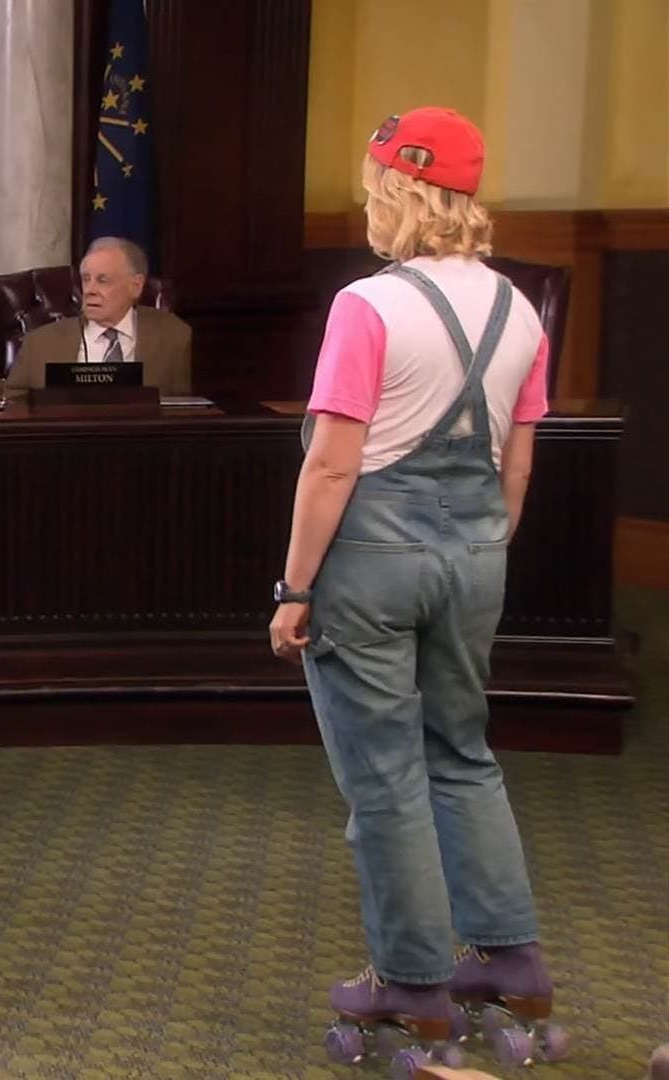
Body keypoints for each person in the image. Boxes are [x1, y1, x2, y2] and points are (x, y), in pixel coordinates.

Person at [267, 108, 562, 1068]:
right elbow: (518, 467)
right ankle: (512, 960)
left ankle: (412, 978)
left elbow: (330, 465)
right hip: (477, 554)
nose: (366, 205)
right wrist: (479, 549)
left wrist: (293, 587)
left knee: (386, 776)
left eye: (372, 187)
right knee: (463, 755)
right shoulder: (521, 311)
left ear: (400, 190)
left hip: (371, 561)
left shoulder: (368, 305)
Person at [0, 236, 192, 398]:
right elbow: (12, 406)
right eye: (86, 279)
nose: (90, 290)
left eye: (103, 280)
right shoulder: (40, 343)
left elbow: (185, 411)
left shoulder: (173, 336)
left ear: (135, 286)